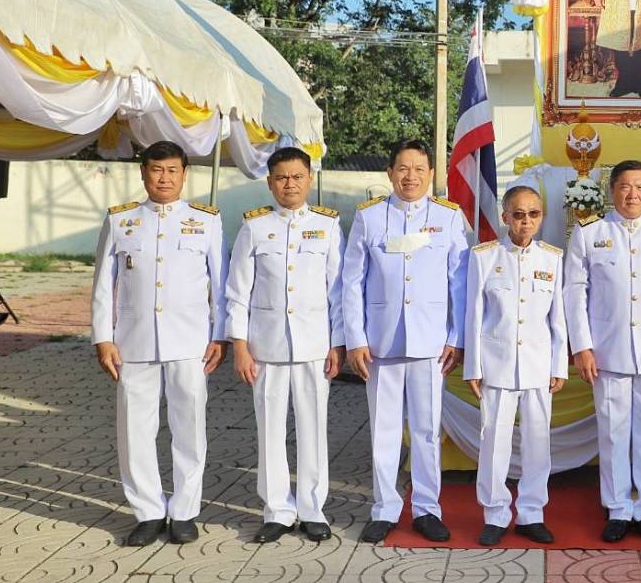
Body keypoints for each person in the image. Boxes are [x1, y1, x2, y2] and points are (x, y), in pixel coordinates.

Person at [89, 140, 227, 547]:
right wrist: (103, 338)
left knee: (189, 428)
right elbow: (102, 286)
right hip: (133, 344)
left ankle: (184, 511)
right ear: (143, 173)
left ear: (185, 174)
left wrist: (220, 333)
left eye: (172, 170)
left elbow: (219, 285)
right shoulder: (121, 220)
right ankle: (148, 511)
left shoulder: (207, 220)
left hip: (190, 342)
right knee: (135, 429)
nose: (164, 178)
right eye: (156, 169)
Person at [341, 139, 469, 544]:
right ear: (390, 173)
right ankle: (384, 507)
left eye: (418, 168)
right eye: (402, 168)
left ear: (431, 174)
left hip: (431, 343)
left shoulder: (448, 218)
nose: (410, 176)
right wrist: (355, 339)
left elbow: (460, 283)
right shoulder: (370, 217)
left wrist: (456, 336)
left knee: (428, 429)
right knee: (384, 427)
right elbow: (351, 282)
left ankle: (428, 508)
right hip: (381, 342)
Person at [564, 159, 641, 543]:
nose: (631, 194)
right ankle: (618, 507)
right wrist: (582, 346)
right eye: (624, 186)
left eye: (639, 186)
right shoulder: (589, 233)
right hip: (608, 351)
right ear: (611, 190)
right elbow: (574, 293)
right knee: (614, 432)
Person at [225, 146, 345, 544]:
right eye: (282, 177)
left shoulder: (327, 226)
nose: (289, 184)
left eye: (297, 176)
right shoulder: (254, 228)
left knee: (313, 429)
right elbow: (237, 291)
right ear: (270, 182)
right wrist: (239, 345)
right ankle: (276, 510)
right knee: (270, 430)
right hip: (267, 348)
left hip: (313, 346)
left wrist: (338, 343)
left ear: (309, 179)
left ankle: (313, 509)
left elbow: (337, 291)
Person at [464, 185, 567, 546]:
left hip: (538, 363)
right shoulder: (484, 256)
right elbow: (473, 314)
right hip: (497, 362)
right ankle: (494, 513)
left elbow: (558, 318)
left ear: (542, 217)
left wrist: (560, 365)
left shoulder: (552, 258)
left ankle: (531, 513)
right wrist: (472, 367)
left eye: (533, 214)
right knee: (494, 442)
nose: (525, 221)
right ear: (505, 216)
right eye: (518, 214)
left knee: (539, 442)